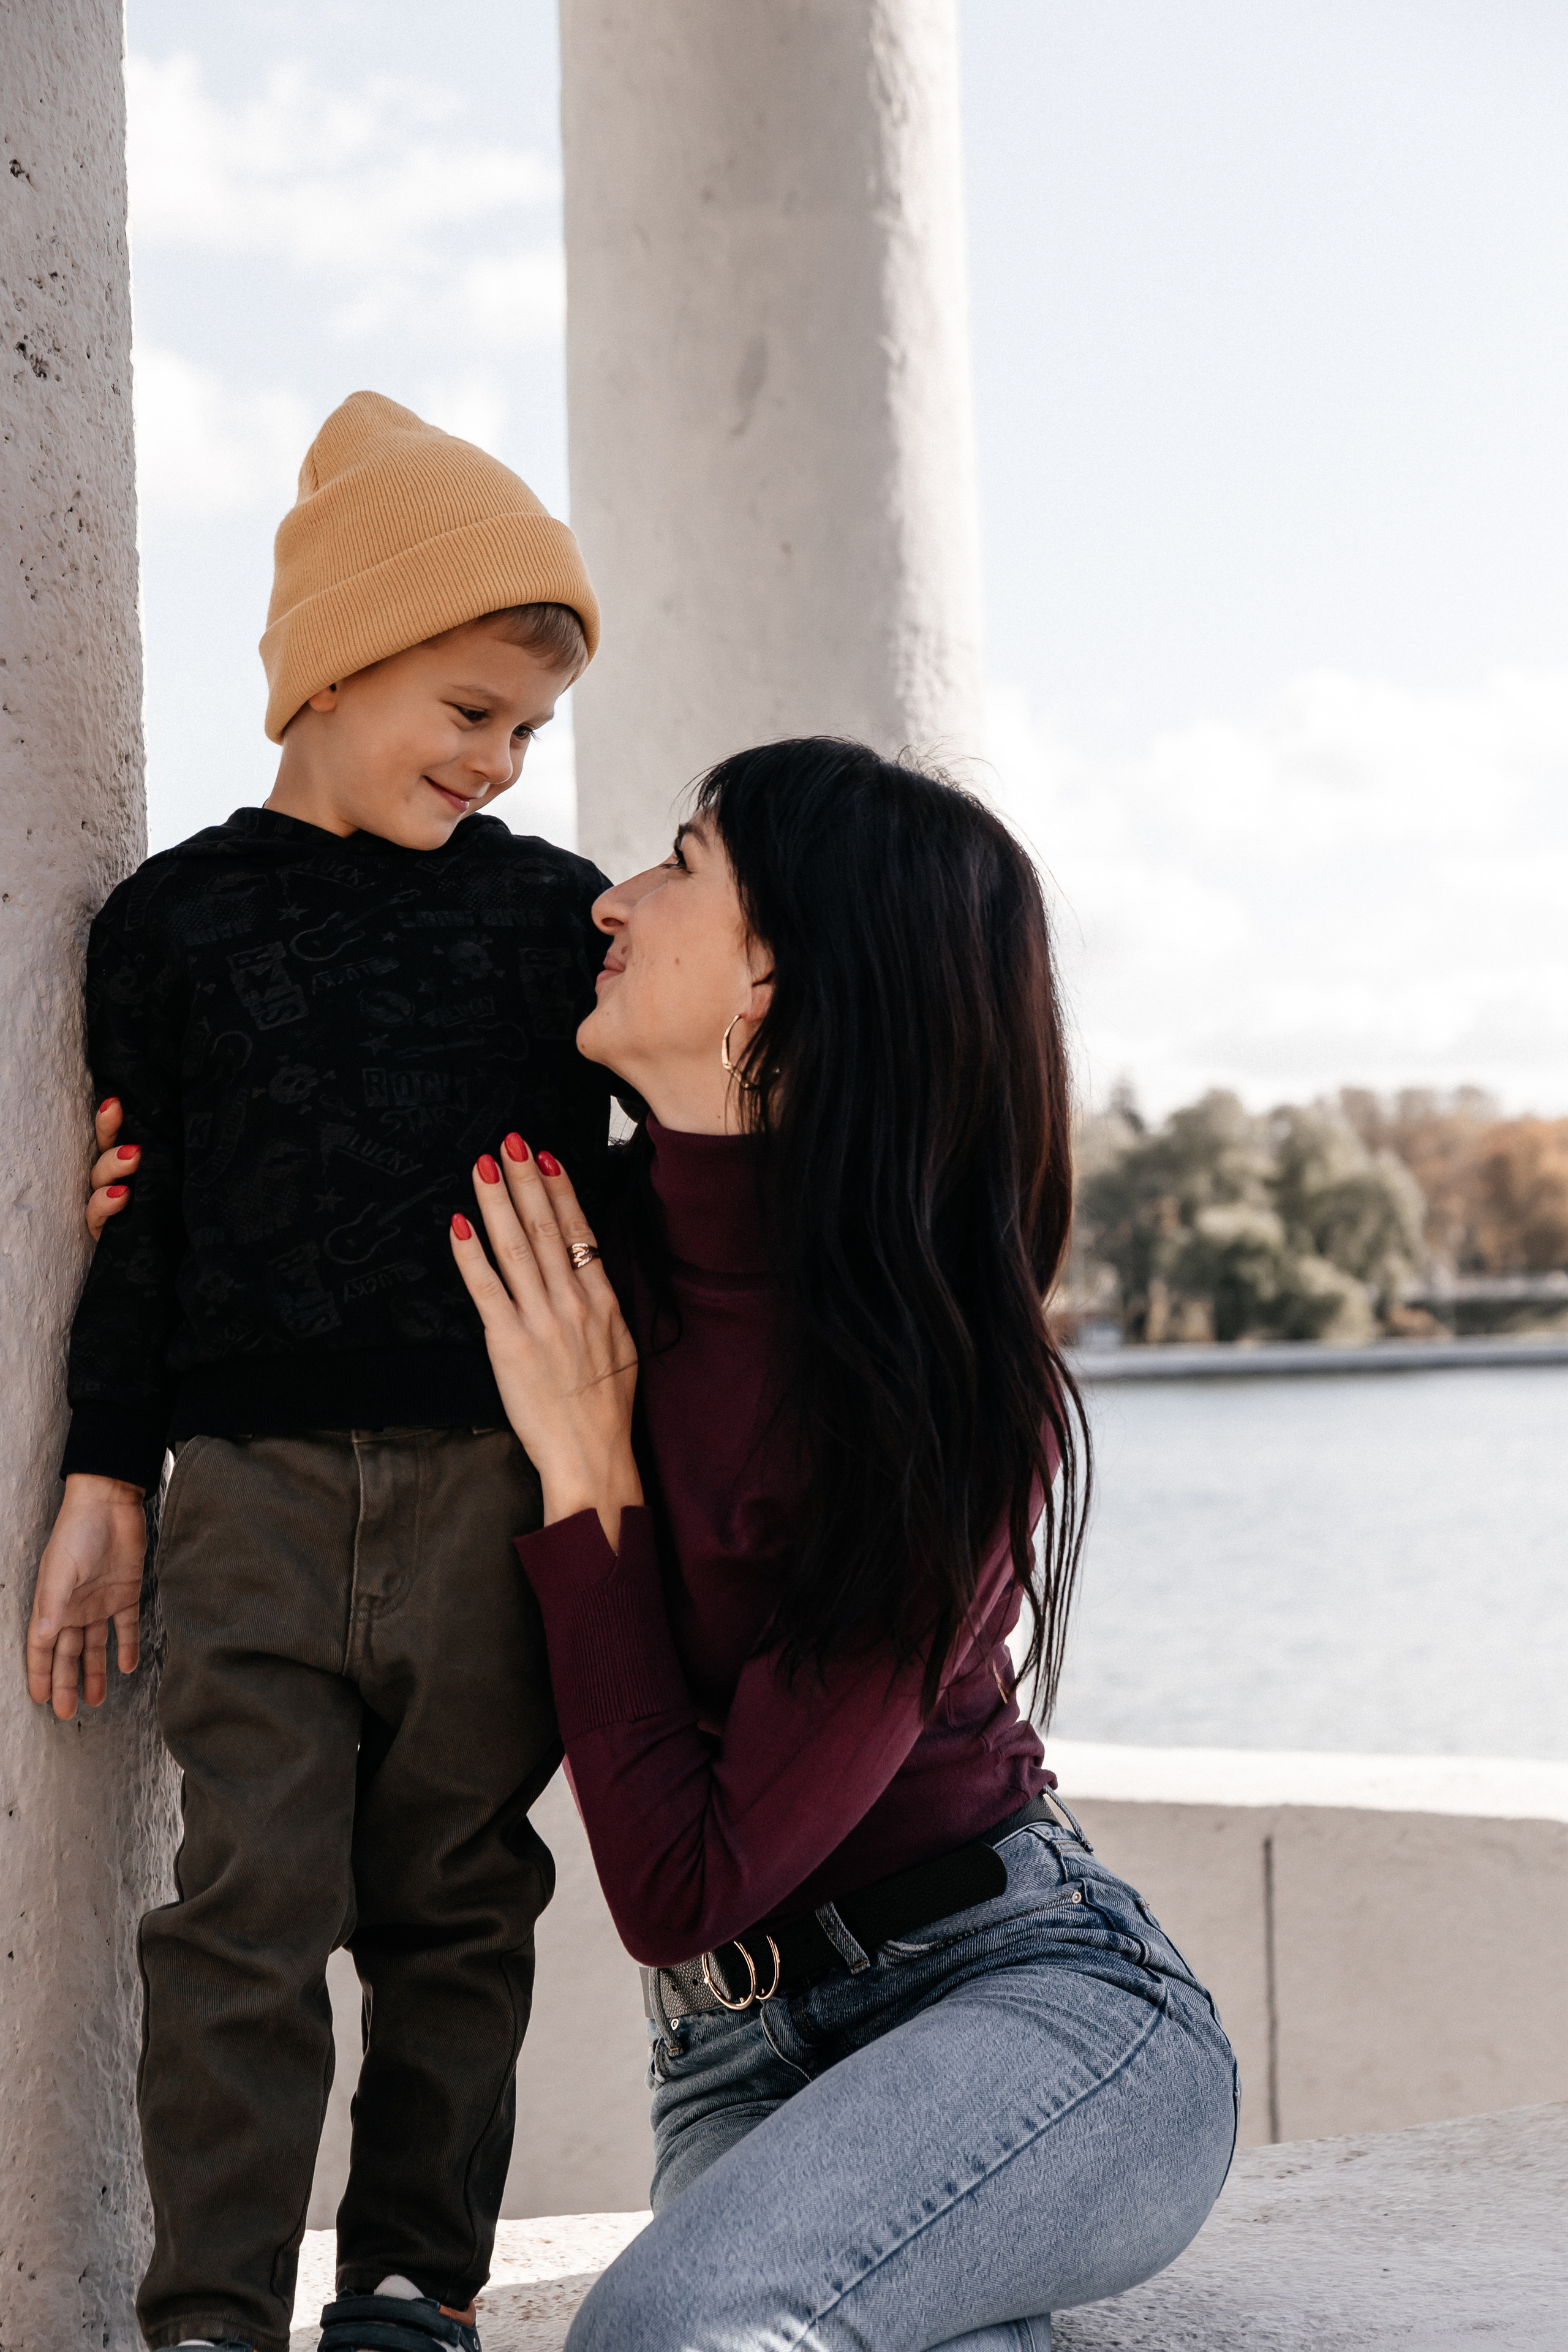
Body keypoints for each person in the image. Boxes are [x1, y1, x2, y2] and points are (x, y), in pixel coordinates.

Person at [443, 739, 1241, 2350]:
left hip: (1038, 2004)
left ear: (769, 981)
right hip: (737, 2055)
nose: (614, 897)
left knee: (665, 2335)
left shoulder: (939, 1391)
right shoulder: (575, 1241)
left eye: (677, 862)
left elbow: (683, 1883)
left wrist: (589, 1464)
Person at [27, 393, 612, 2352]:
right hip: (253, 1500)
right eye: (465, 708)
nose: (497, 760)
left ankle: (407, 2293)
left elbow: (650, 1176)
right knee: (241, 1922)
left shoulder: (555, 921)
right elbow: (147, 1222)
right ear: (334, 661)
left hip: (484, 1503)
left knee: (459, 1904)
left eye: (526, 731)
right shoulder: (174, 923)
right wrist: (107, 1486)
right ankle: (207, 2316)